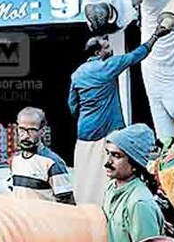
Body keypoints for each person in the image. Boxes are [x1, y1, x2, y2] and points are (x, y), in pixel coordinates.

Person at [69, 31, 167, 206]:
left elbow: (73, 105)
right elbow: (136, 55)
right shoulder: (108, 66)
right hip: (107, 131)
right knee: (108, 172)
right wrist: (155, 36)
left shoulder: (77, 74)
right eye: (106, 47)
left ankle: (86, 208)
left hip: (84, 132)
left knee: (86, 176)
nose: (111, 48)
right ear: (98, 53)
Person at [9, 107, 75, 204]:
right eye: (22, 129)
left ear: (43, 131)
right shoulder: (15, 160)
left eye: (32, 130)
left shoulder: (53, 163)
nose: (26, 136)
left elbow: (67, 202)